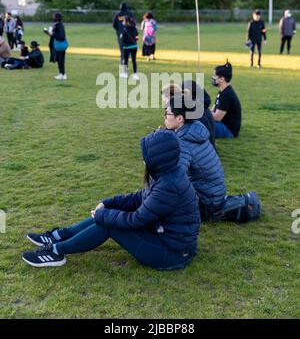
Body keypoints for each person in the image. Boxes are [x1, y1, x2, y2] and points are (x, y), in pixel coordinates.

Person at [22, 130, 200, 269]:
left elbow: (135, 220)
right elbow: (141, 197)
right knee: (110, 215)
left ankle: (56, 251)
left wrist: (103, 215)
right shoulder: (169, 174)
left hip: (171, 254)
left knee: (109, 223)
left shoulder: (169, 185)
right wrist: (108, 202)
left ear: (157, 159)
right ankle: (60, 236)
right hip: (166, 239)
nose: (143, 160)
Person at [164, 96, 261, 223]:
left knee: (162, 204)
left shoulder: (184, 143)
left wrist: (154, 159)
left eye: (167, 112)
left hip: (206, 202)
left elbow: (175, 179)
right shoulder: (195, 129)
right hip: (214, 193)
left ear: (180, 118)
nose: (165, 115)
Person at [161, 81, 216, 148]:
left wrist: (165, 132)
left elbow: (183, 132)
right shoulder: (191, 104)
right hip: (208, 147)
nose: (166, 106)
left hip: (199, 148)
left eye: (166, 103)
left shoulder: (186, 110)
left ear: (171, 97)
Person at [210, 61, 241, 139]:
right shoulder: (222, 91)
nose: (212, 77)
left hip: (228, 130)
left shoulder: (227, 94)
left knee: (200, 124)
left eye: (214, 75)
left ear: (222, 79)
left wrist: (203, 114)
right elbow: (213, 110)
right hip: (221, 124)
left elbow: (217, 117)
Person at [44, 12, 67, 80]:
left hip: (59, 45)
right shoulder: (56, 25)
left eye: (53, 16)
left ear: (57, 17)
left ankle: (62, 74)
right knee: (59, 60)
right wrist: (48, 32)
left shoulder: (60, 25)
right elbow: (53, 35)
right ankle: (62, 73)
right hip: (56, 45)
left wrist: (52, 34)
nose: (52, 18)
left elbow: (61, 36)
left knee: (60, 60)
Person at [119, 15, 139, 80]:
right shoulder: (134, 28)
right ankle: (135, 75)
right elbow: (137, 37)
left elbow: (123, 39)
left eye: (124, 20)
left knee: (125, 60)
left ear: (126, 21)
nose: (123, 22)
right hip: (134, 46)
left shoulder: (125, 29)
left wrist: (121, 36)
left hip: (126, 47)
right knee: (134, 60)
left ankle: (125, 74)